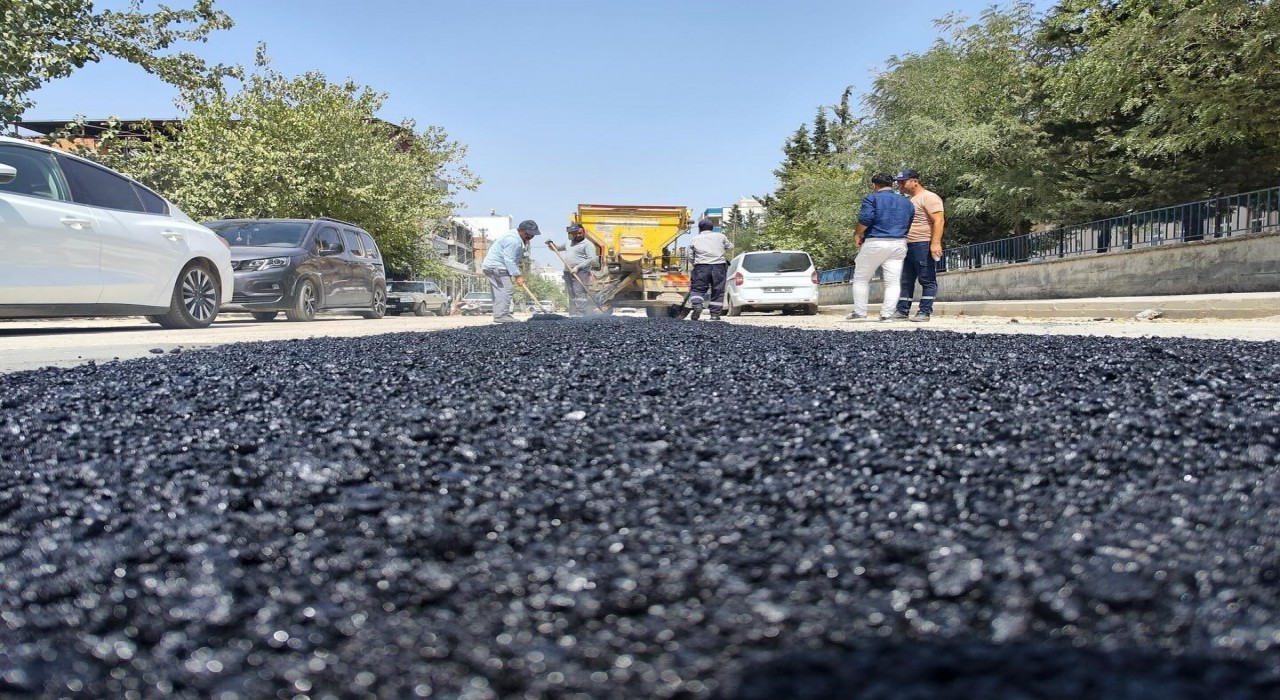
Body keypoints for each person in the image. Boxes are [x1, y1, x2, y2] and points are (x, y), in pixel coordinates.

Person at [847, 173, 914, 321]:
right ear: (892, 184)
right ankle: (887, 314)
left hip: (875, 241)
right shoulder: (907, 202)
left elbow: (866, 219)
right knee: (893, 281)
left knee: (861, 278)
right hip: (898, 243)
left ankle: (860, 313)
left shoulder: (871, 198)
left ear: (874, 185)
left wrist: (857, 235)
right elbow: (908, 222)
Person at [892, 169, 945, 322]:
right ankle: (902, 310)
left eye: (903, 182)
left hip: (923, 243)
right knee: (906, 279)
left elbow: (939, 221)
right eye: (898, 183)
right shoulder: (911, 200)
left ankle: (925, 311)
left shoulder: (929, 197)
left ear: (915, 181)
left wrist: (935, 243)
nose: (900, 185)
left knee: (926, 278)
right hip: (908, 244)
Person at [481, 219, 540, 323]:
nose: (530, 237)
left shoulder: (518, 238)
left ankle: (500, 315)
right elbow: (509, 260)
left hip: (493, 266)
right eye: (528, 234)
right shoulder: (513, 240)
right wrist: (518, 276)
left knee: (499, 291)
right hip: (497, 267)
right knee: (506, 290)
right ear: (521, 230)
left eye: (532, 235)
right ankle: (501, 315)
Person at [687, 218, 733, 320]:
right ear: (712, 227)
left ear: (700, 228)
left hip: (701, 267)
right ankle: (715, 314)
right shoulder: (721, 236)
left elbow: (689, 255)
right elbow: (730, 247)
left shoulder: (695, 239)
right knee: (717, 290)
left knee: (698, 289)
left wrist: (694, 264)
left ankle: (697, 305)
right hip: (718, 266)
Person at [561, 223, 596, 316]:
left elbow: (592, 259)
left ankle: (580, 314)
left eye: (580, 233)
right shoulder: (568, 243)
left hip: (581, 272)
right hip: (568, 271)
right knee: (572, 294)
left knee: (579, 293)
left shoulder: (588, 244)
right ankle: (572, 314)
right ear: (572, 234)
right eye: (575, 233)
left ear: (583, 232)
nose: (578, 235)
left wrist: (578, 267)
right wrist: (551, 245)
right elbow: (557, 248)